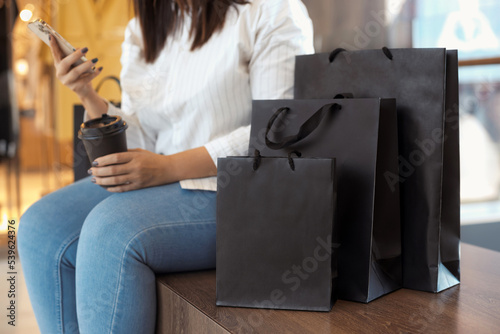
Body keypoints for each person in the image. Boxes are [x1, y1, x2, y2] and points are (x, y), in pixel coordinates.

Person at [18, 0, 314, 333]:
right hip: (163, 182)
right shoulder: (145, 28)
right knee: (41, 227)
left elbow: (276, 132)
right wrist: (87, 93)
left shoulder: (272, 11)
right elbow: (142, 135)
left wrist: (167, 168)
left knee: (110, 230)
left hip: (239, 187)